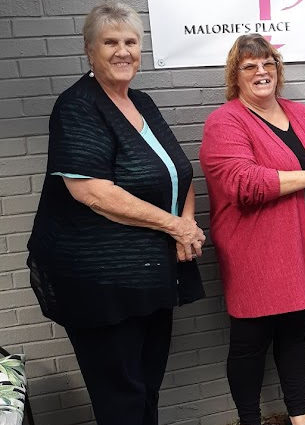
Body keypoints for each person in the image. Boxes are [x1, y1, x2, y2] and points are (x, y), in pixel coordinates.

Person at [25, 3, 206, 425]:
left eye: (130, 42)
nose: (122, 51)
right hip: (98, 283)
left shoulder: (141, 100)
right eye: (110, 42)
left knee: (146, 384)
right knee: (120, 397)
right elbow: (92, 192)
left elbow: (178, 172)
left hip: (149, 275)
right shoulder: (77, 106)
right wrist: (175, 225)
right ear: (90, 50)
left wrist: (186, 227)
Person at [199, 34, 305, 425]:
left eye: (269, 64)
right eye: (250, 66)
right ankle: (249, 418)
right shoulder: (225, 121)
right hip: (256, 254)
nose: (261, 72)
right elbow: (241, 183)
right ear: (236, 76)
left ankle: (298, 414)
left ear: (279, 71)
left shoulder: (303, 115)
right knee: (250, 344)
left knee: (295, 333)